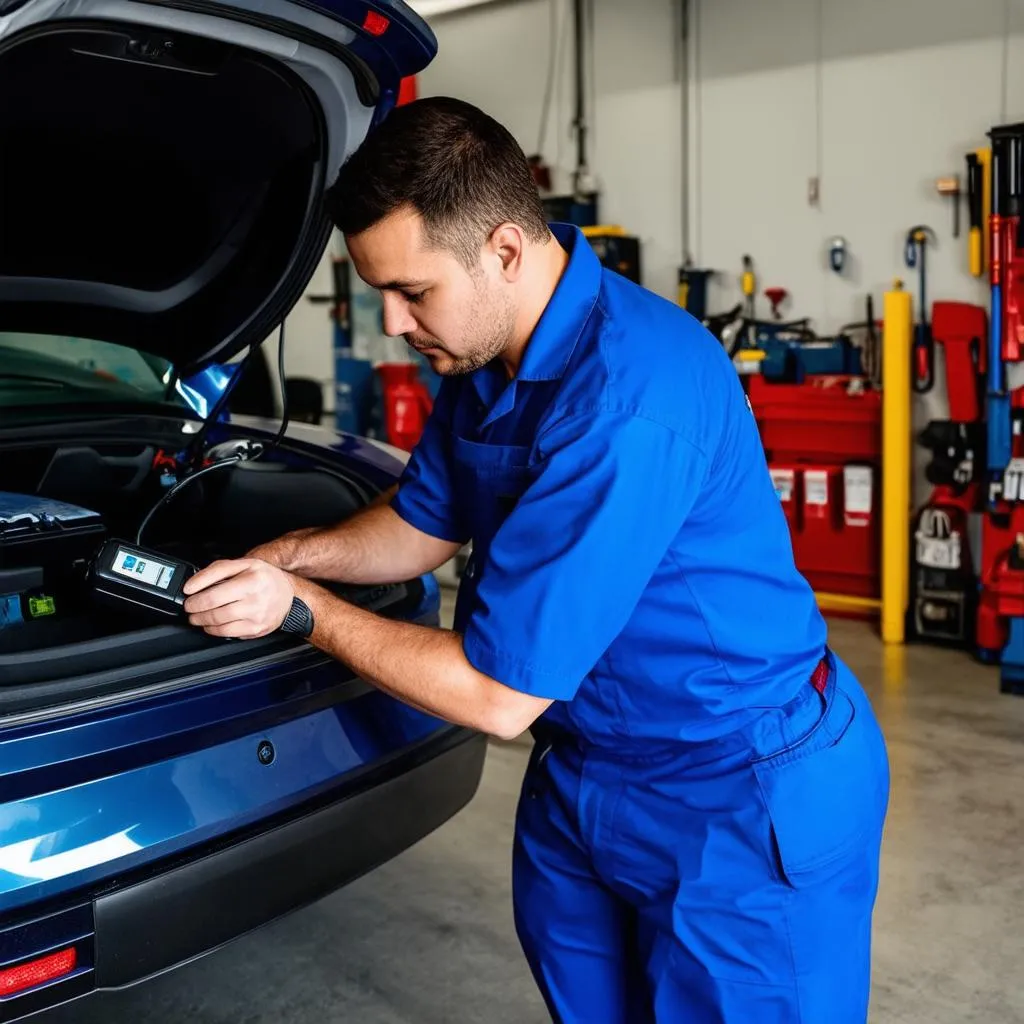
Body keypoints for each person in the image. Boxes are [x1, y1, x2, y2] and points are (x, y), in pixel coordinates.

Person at [182, 96, 890, 1023]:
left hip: (740, 792)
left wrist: (299, 610)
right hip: (587, 776)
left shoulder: (630, 397)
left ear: (506, 250)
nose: (393, 324)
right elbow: (418, 527)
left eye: (413, 292)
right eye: (377, 295)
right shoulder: (483, 363)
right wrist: (283, 559)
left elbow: (496, 698)